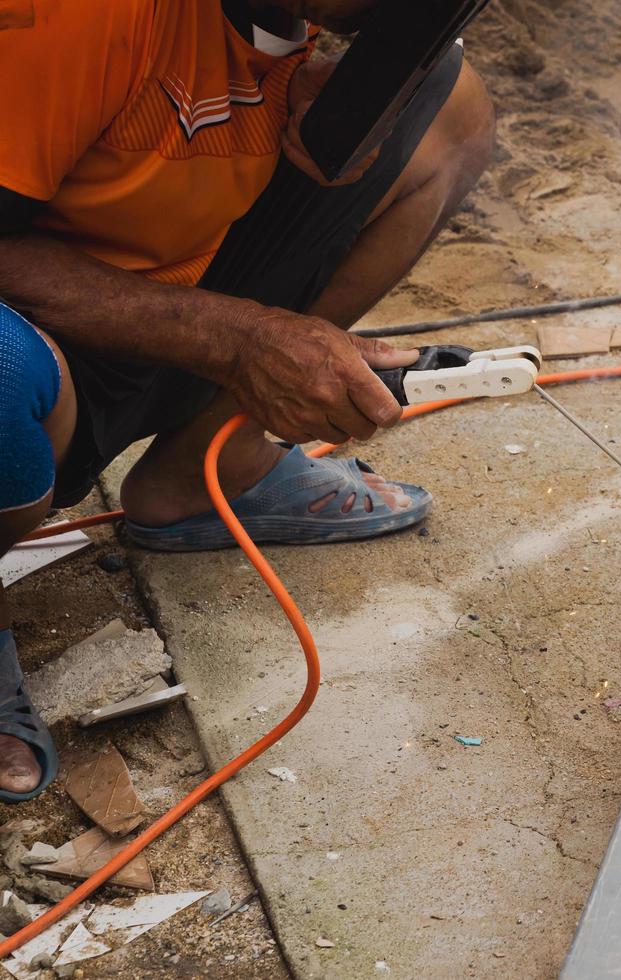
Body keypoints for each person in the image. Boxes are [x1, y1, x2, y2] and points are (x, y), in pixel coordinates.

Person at [0, 0, 496, 800]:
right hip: (38, 342)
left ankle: (205, 466)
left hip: (158, 291)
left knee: (450, 109)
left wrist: (344, 80)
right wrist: (240, 339)